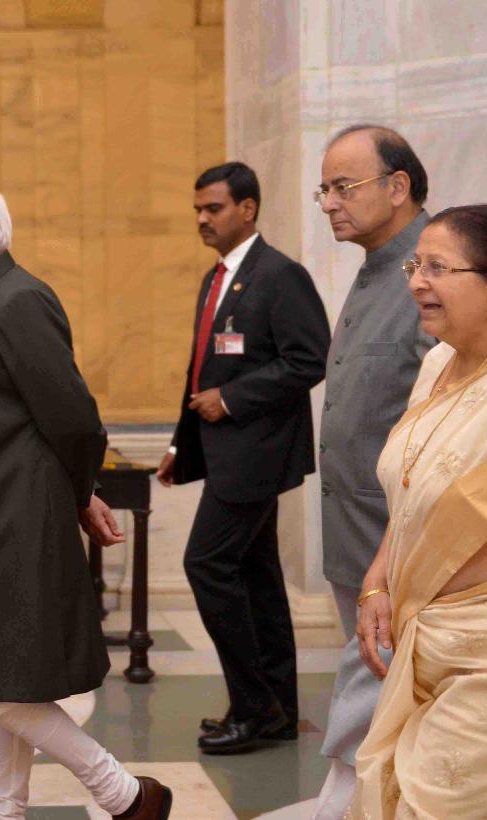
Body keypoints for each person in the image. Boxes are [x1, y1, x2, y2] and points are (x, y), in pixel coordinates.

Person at [0, 179, 171, 820]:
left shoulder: (20, 300)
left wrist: (83, 493)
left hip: (12, 528)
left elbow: (74, 418)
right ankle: (4, 811)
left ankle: (124, 794)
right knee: (11, 679)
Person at [348, 204, 487, 818]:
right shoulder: (438, 363)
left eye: (438, 268)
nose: (417, 282)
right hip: (428, 637)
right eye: (415, 266)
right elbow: (414, 490)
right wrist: (378, 579)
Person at [156, 161, 330, 754]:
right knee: (257, 578)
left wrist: (230, 399)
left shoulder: (280, 275)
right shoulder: (217, 278)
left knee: (206, 564)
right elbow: (202, 369)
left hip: (258, 454)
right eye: (198, 210)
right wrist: (180, 445)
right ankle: (275, 711)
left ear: (247, 208)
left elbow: (308, 359)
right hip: (227, 452)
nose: (202, 220)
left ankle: (254, 708)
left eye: (214, 208)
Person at [312, 125, 436, 818]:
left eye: (343, 186)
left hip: (401, 547)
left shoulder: (434, 271)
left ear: (398, 186)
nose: (329, 203)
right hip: (354, 533)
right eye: (323, 190)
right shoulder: (374, 270)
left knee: (368, 711)